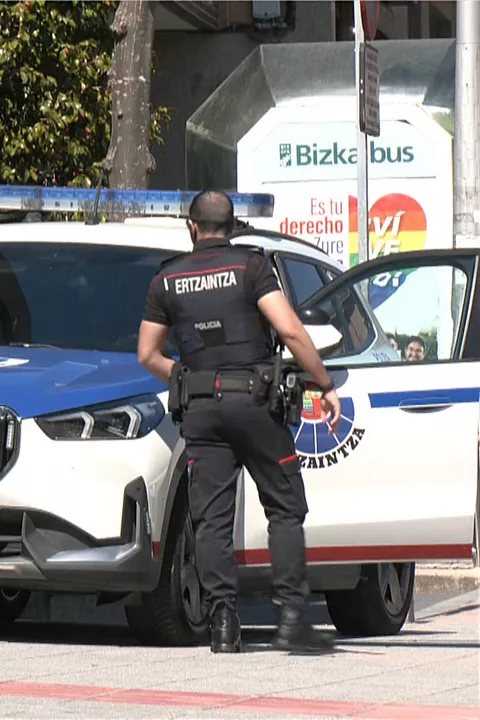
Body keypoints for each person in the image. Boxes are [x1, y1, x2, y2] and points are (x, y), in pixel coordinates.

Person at [136, 190, 340, 655]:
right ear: (232, 227)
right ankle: (291, 618)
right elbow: (289, 330)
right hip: (255, 404)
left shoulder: (166, 279)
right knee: (285, 505)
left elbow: (148, 353)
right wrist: (323, 383)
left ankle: (223, 625)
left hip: (202, 412)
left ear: (192, 227)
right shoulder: (251, 267)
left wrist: (188, 378)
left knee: (211, 518)